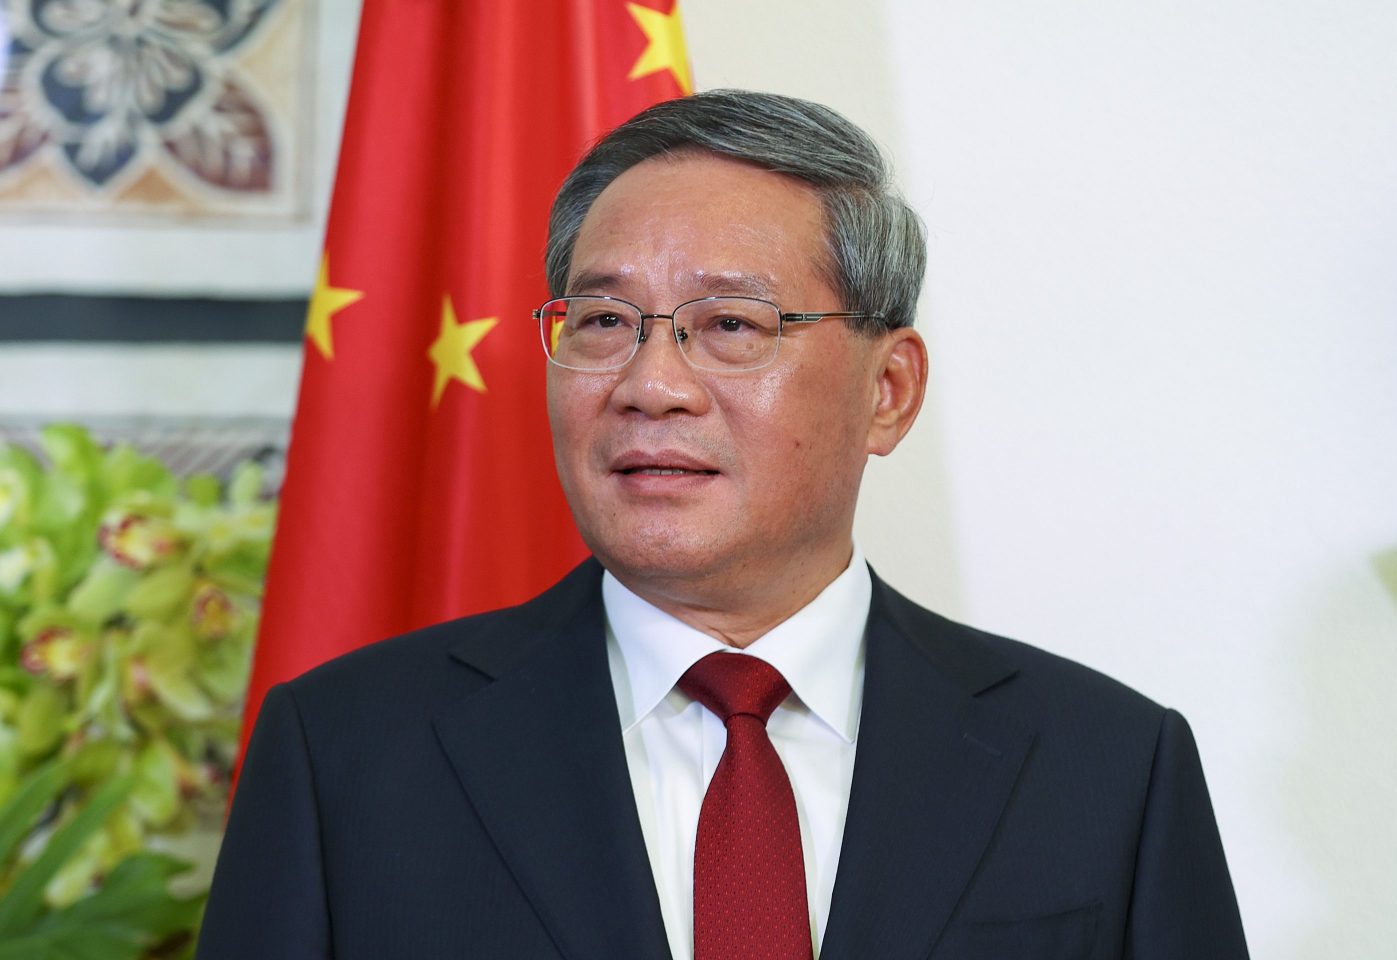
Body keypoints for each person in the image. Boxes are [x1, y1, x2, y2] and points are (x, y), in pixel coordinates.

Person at [197, 90, 1249, 960]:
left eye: (731, 326)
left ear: (888, 390)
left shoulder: (1105, 765)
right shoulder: (346, 755)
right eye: (603, 321)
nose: (651, 385)